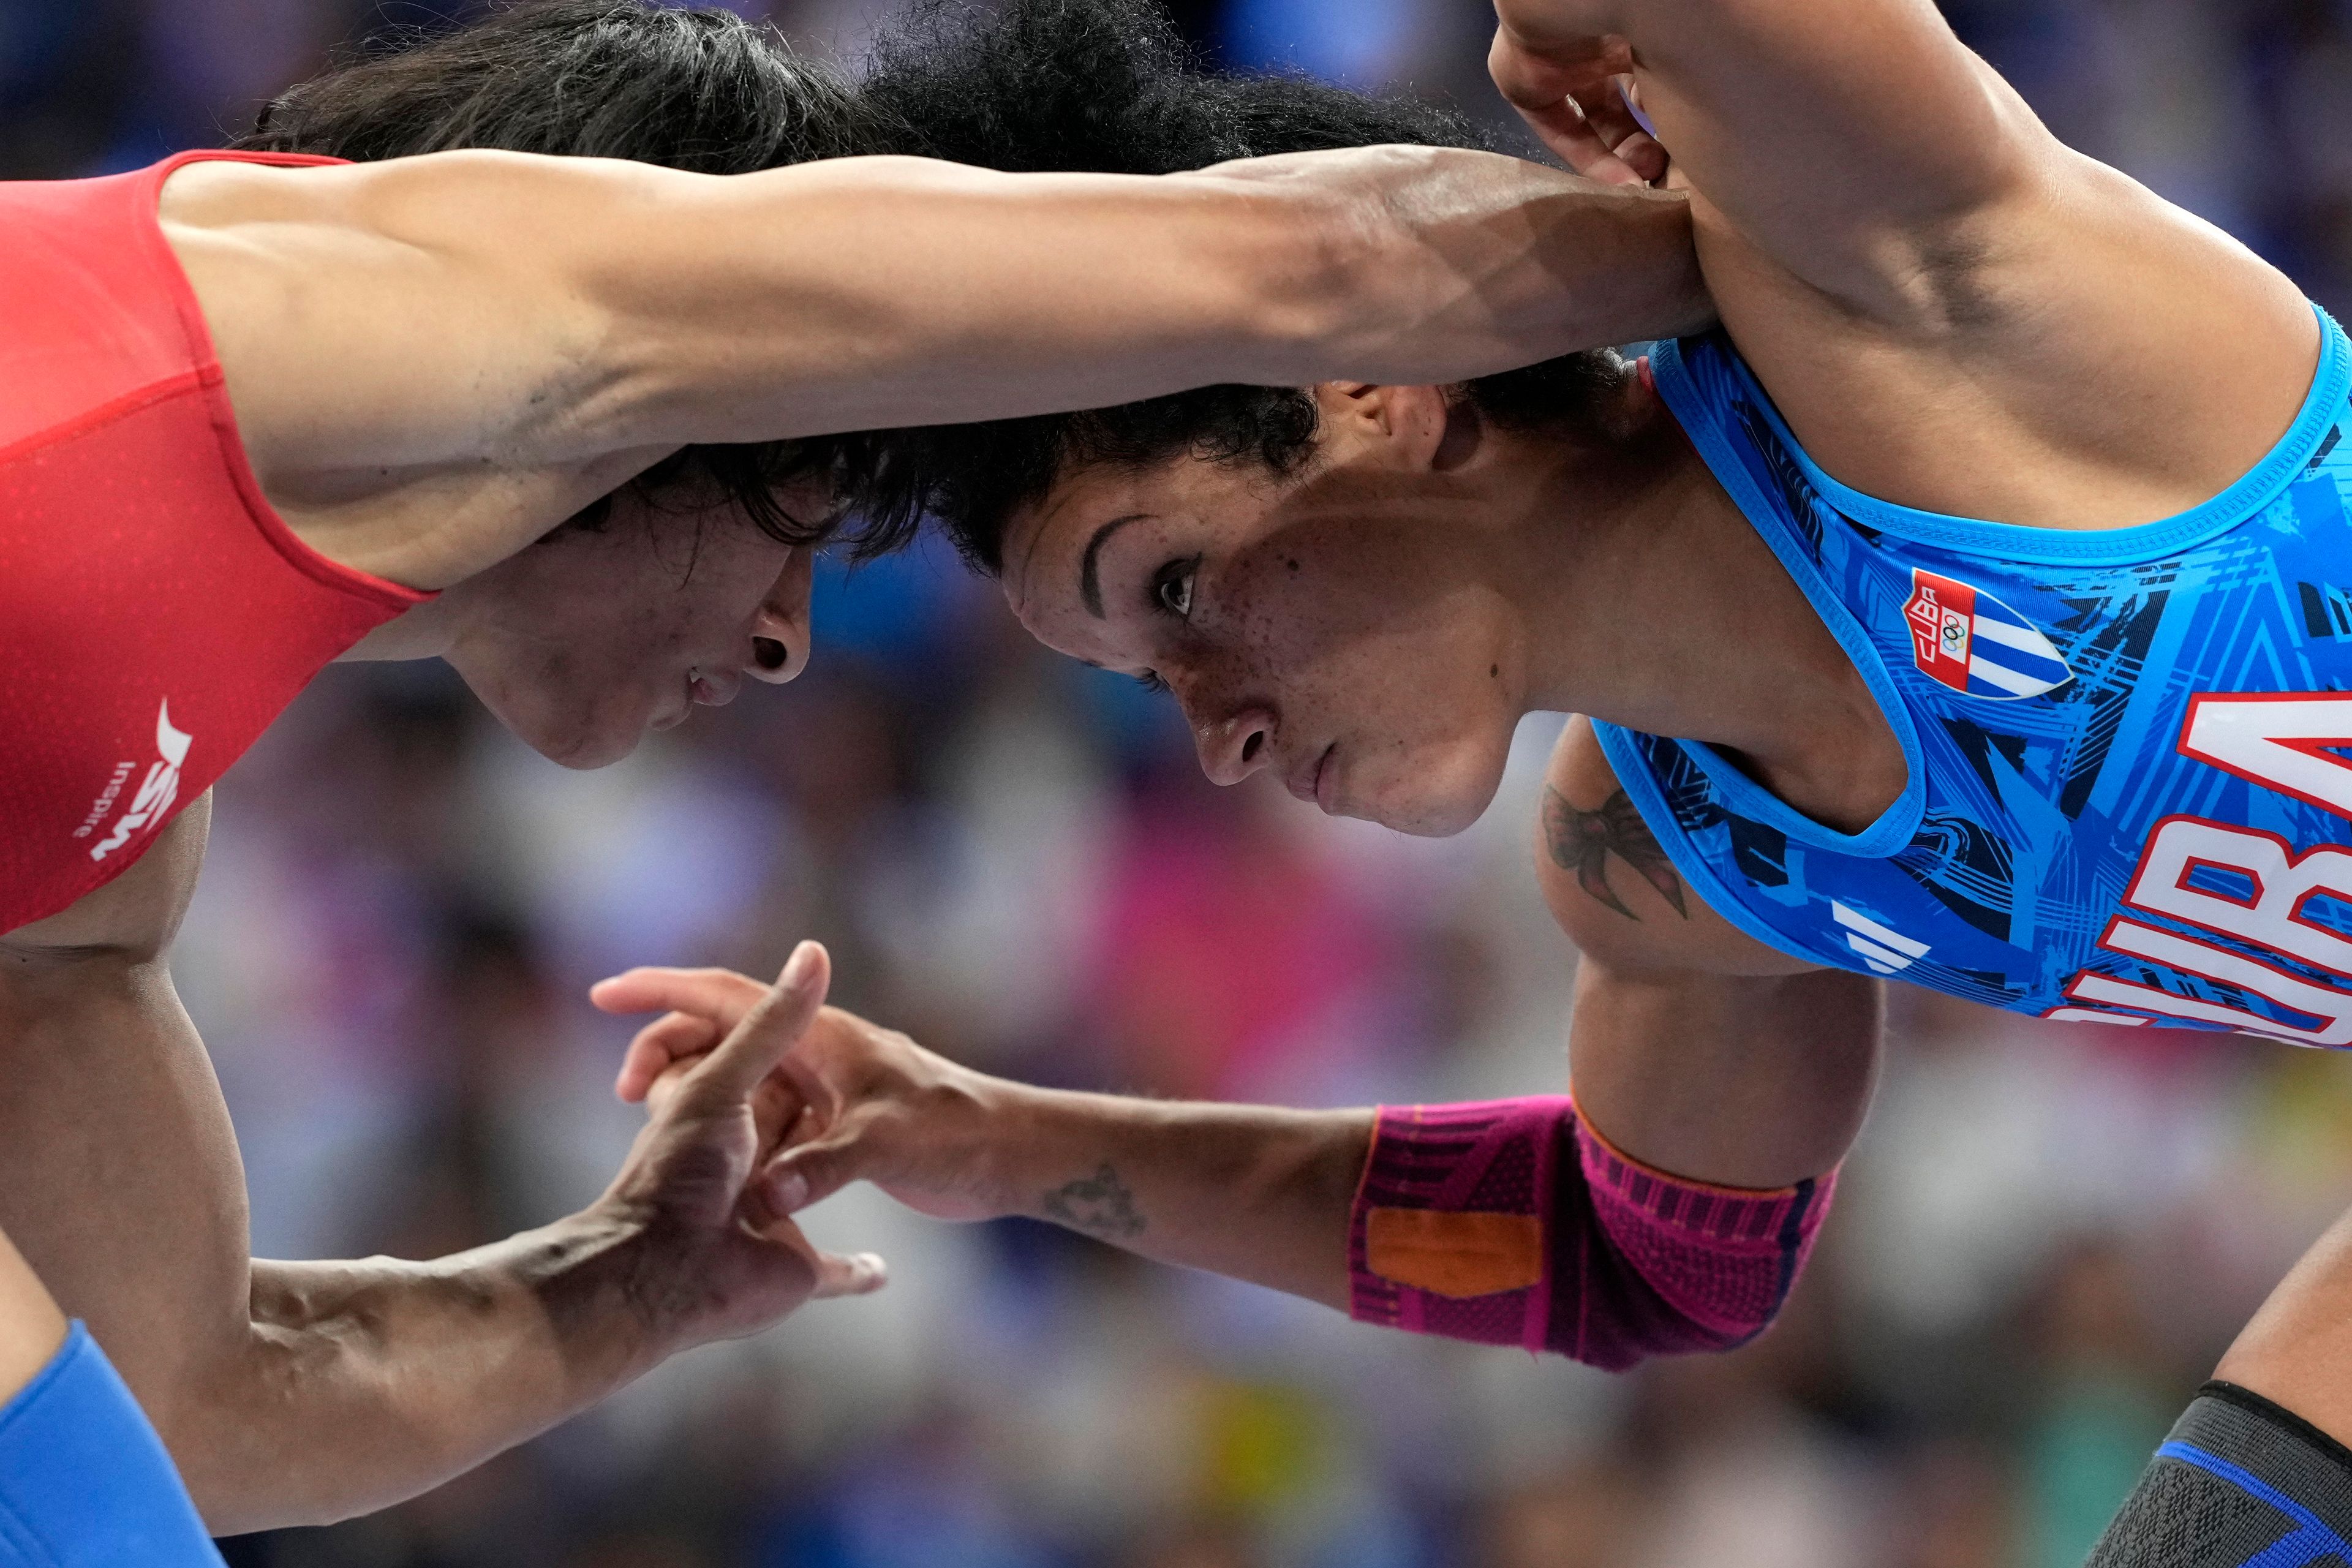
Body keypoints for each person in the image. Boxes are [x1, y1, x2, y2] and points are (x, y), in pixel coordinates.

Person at [590, 0, 2352, 1550]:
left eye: (1181, 589)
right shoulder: (1668, 864)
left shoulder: (1881, 301)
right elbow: (1634, 1260)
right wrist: (980, 1134)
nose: (1216, 731)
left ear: (1378, 386)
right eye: (1143, 678)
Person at [0, 0, 1713, 1536]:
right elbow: (1319, 267)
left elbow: (183, 1417)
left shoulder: (105, 816)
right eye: (798, 521)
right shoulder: (428, 270)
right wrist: (1813, 288)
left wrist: (616, 1295)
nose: (782, 646)